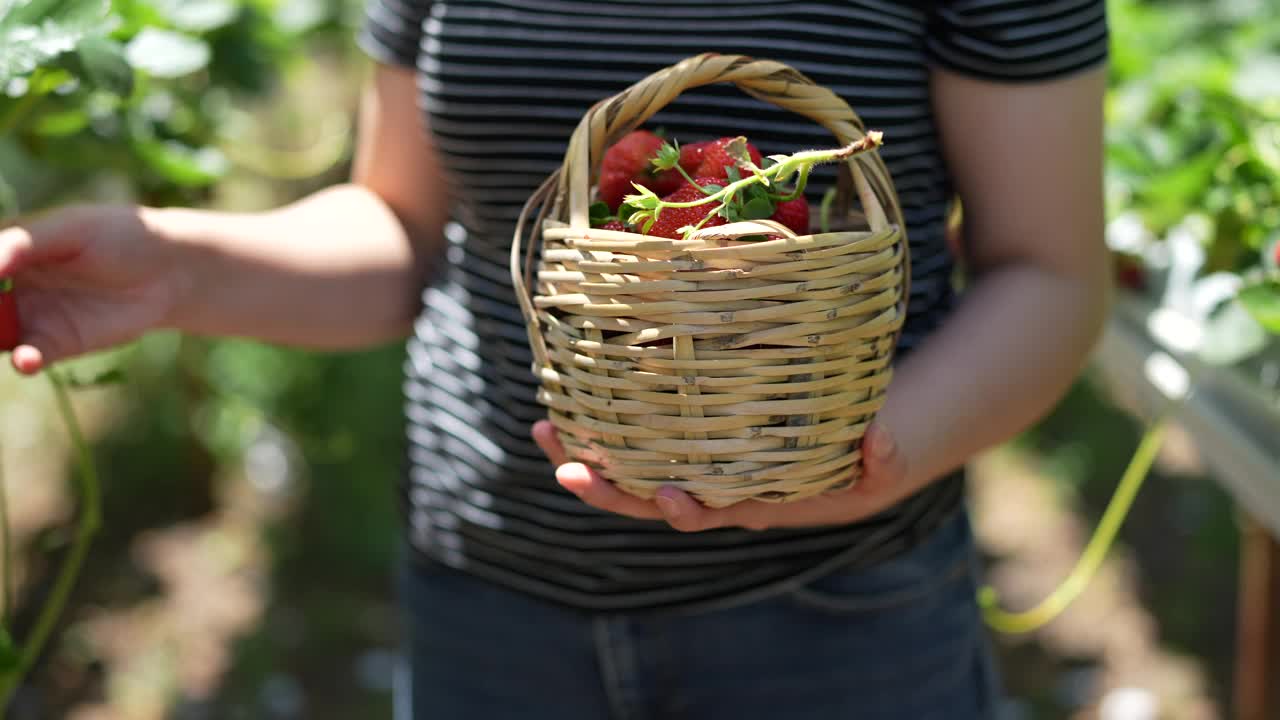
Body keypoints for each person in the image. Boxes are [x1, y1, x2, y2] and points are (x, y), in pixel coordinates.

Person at [0, 1, 1111, 717]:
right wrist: (177, 268)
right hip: (483, 602)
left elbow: (1048, 273)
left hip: (829, 615)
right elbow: (402, 228)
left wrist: (850, 462)